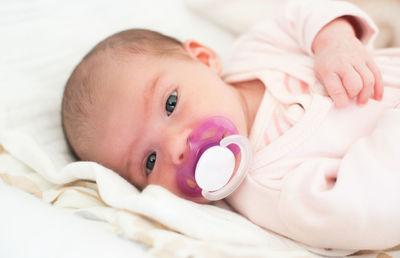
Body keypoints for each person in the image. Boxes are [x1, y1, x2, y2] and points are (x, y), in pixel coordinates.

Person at [61, 0, 400, 252]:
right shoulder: (272, 190)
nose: (177, 147)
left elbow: (300, 12)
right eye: (150, 161)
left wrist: (333, 40)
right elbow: (370, 206)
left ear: (203, 58)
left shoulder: (253, 54)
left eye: (170, 103)